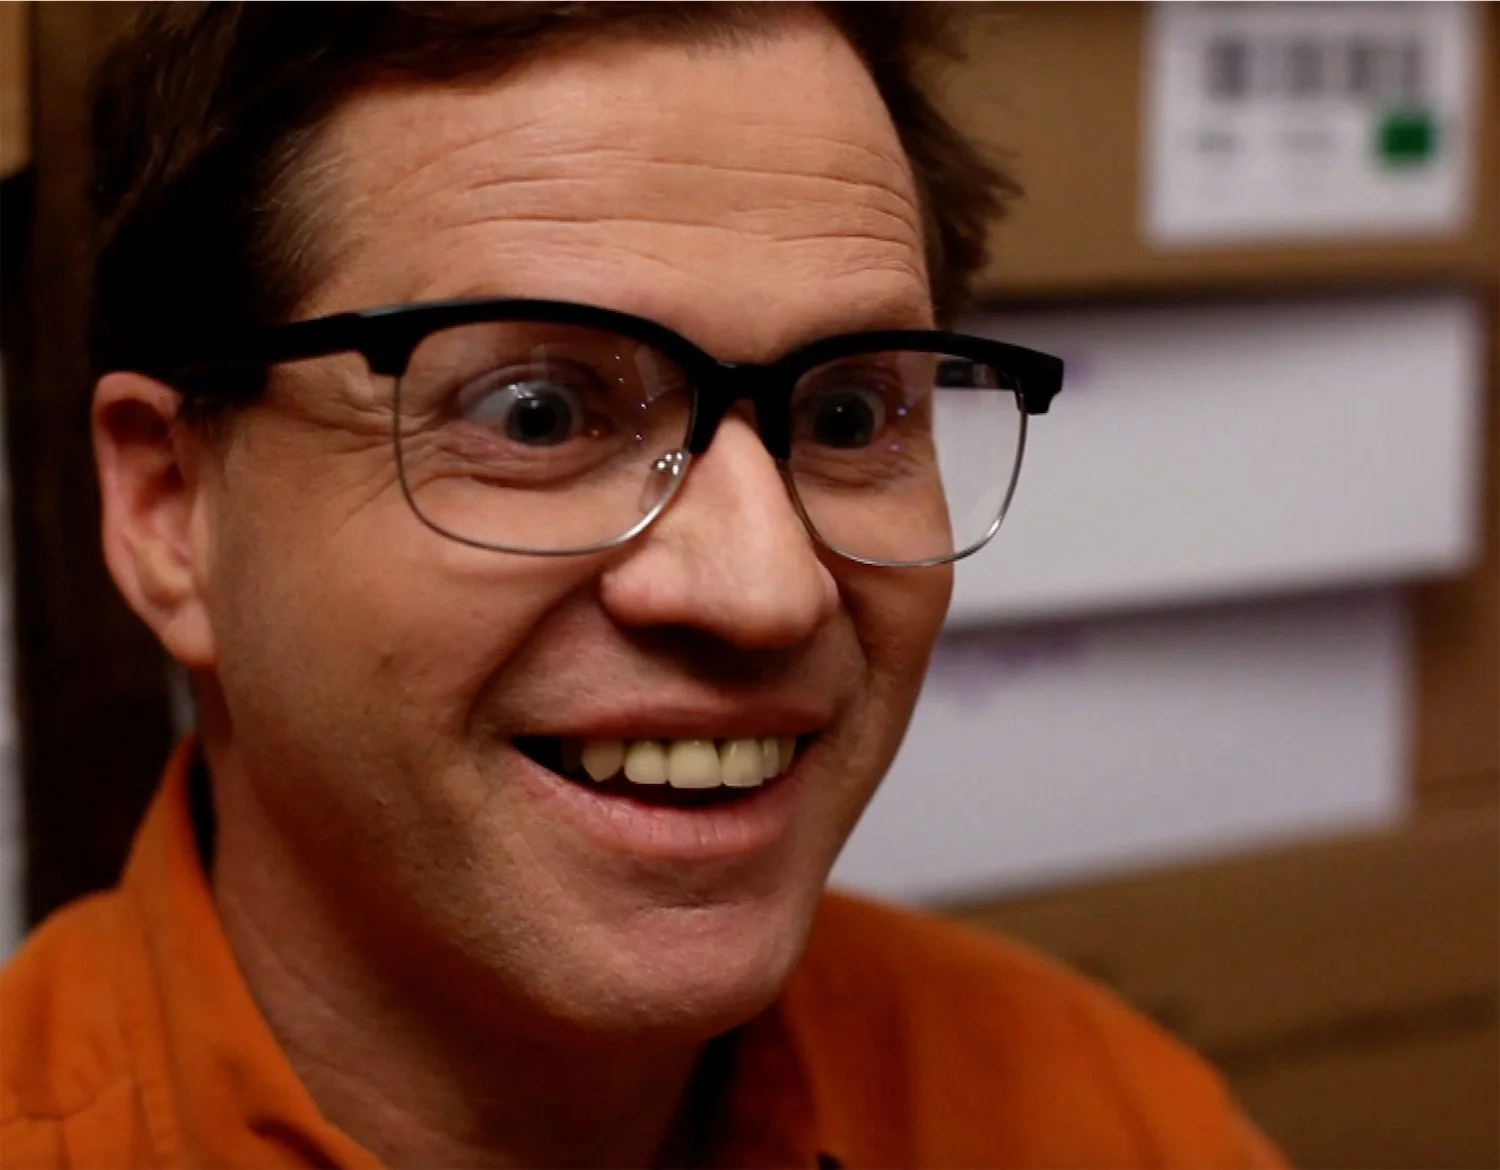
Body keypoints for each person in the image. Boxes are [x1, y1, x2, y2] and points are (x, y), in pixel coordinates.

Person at [1, 4, 1285, 1167]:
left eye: (844, 416)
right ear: (171, 514)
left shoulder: (1109, 1120)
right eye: (538, 412)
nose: (765, 588)